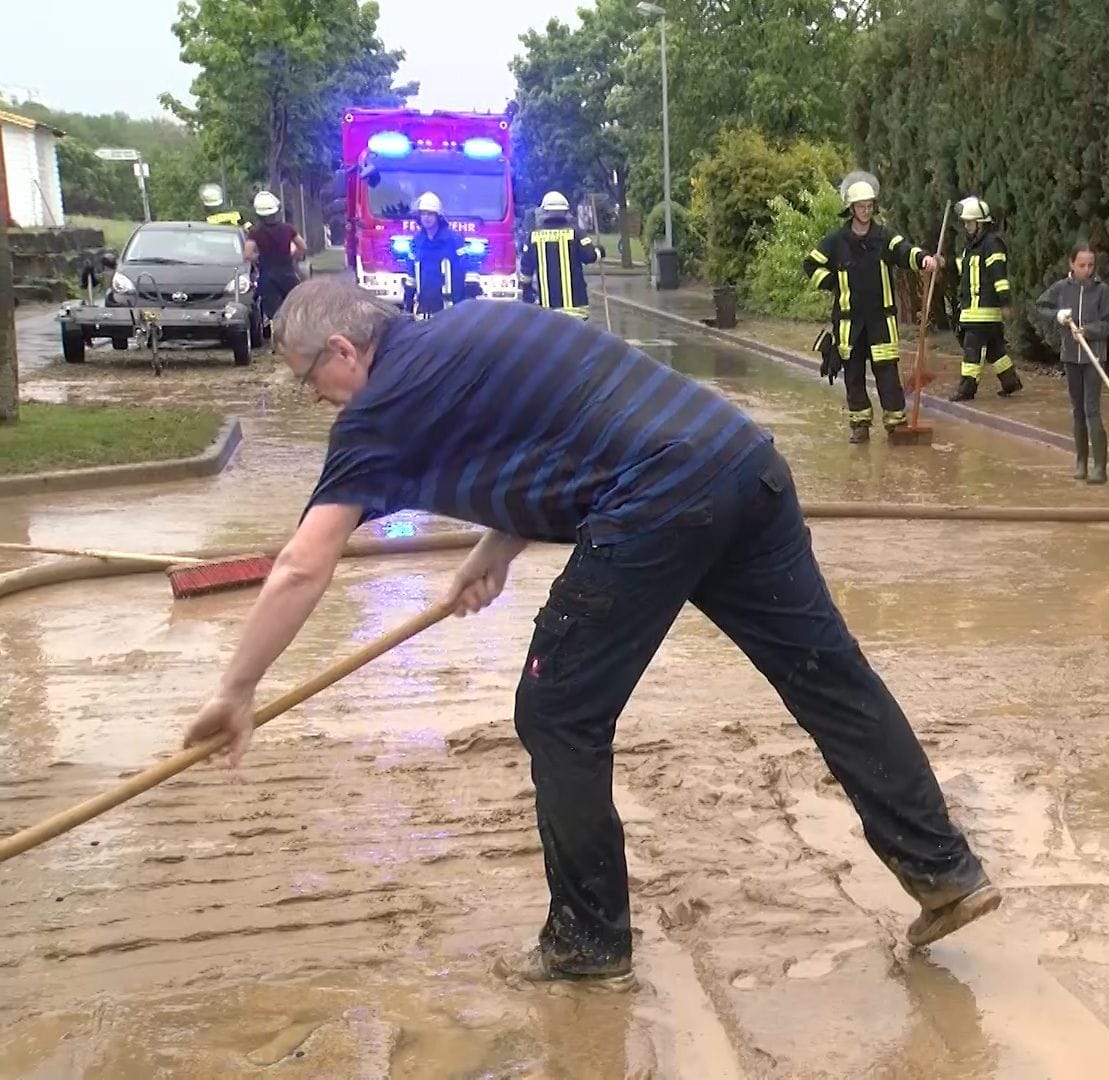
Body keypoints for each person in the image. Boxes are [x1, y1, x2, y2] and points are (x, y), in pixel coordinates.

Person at [180, 280, 1003, 982]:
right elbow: (564, 425)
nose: (317, 401)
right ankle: (943, 871)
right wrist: (493, 547)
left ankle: (587, 944)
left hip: (660, 495)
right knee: (828, 676)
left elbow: (300, 566)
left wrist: (238, 690)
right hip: (739, 463)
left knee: (557, 711)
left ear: (341, 351)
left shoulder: (379, 410)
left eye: (307, 382)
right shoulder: (476, 323)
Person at [801, 172, 943, 442]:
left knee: (887, 372)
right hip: (848, 323)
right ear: (851, 209)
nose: (866, 211)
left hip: (881, 321)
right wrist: (832, 281)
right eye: (861, 206)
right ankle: (860, 424)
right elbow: (811, 264)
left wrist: (924, 259)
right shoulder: (835, 241)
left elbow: (904, 250)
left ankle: (895, 423)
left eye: (870, 206)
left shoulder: (883, 237)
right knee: (853, 374)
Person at [1031, 242, 1109, 483]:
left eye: (1090, 265)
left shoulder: (1102, 291)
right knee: (1077, 409)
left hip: (1094, 357)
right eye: (1082, 265)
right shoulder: (1062, 288)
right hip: (1071, 356)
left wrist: (1088, 330)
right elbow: (1040, 306)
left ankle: (1099, 467)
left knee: (1092, 409)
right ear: (1071, 264)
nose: (1087, 270)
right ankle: (1081, 461)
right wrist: (1057, 316)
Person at [948, 196, 1023, 401]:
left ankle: (966, 390)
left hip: (982, 312)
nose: (966, 226)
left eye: (969, 222)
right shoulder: (971, 247)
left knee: (972, 353)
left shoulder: (992, 244)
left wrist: (1005, 302)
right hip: (973, 311)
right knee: (995, 349)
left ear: (980, 223)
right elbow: (962, 272)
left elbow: (1000, 277)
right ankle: (1010, 382)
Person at [519, 190, 599, 318]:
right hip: (577, 307)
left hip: (549, 309)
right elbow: (590, 256)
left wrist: (527, 290)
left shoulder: (533, 237)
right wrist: (599, 251)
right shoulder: (576, 233)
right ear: (566, 212)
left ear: (544, 212)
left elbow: (526, 269)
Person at [402, 192, 470, 318]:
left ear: (438, 216)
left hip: (450, 310)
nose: (426, 218)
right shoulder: (416, 242)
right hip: (424, 308)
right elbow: (411, 274)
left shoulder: (454, 240)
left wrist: (468, 298)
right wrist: (408, 302)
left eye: (430, 214)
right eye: (423, 214)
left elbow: (466, 268)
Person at [245, 191, 306, 328]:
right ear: (277, 211)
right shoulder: (288, 229)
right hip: (288, 274)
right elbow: (302, 247)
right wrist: (292, 258)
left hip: (267, 277)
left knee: (273, 313)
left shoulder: (255, 232)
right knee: (293, 307)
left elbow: (248, 254)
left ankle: (276, 339)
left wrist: (259, 260)